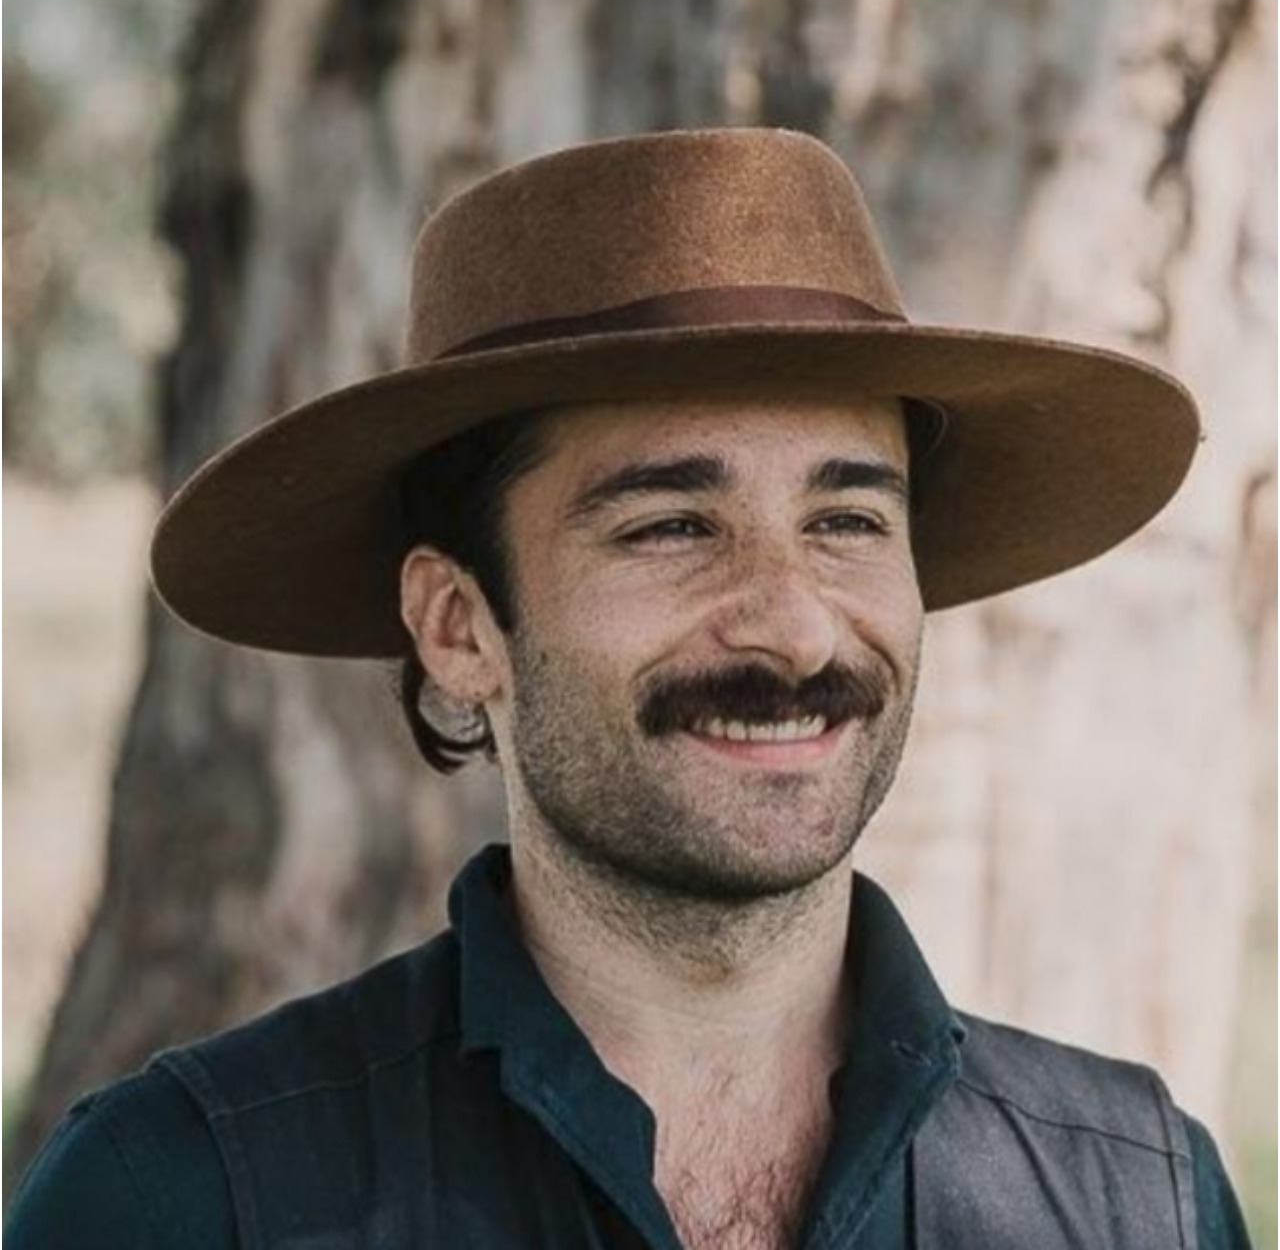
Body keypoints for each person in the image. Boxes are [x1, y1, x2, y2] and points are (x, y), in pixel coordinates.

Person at [6, 128, 1251, 1249]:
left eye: (845, 520)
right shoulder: (186, 1199)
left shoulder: (1139, 1202)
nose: (790, 620)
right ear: (458, 625)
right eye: (668, 525)